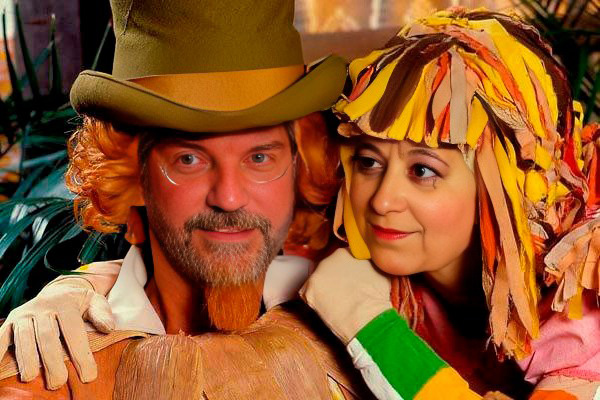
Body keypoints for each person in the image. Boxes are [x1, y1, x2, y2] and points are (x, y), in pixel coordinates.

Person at [0, 0, 373, 398]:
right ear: (132, 175)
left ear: (300, 169)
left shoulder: (357, 311)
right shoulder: (51, 375)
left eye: (260, 158)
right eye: (189, 159)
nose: (229, 198)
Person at [302, 8, 600, 400]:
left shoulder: (582, 304)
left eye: (422, 171)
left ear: (504, 186)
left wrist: (366, 321)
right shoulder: (355, 265)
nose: (383, 200)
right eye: (369, 162)